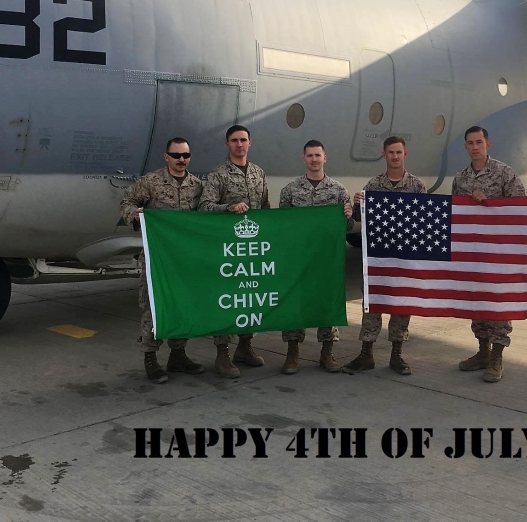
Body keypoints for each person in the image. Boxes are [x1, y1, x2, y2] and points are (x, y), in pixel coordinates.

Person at [120, 137, 205, 384]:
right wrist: (134, 215)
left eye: (185, 155)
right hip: (157, 258)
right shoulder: (151, 182)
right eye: (176, 155)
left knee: (182, 304)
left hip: (184, 258)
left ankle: (178, 354)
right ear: (166, 156)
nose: (181, 160)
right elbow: (127, 202)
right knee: (153, 306)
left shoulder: (197, 186)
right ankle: (150, 357)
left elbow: (205, 215)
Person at [342, 136, 426, 376]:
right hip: (377, 255)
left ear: (405, 154)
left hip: (403, 256)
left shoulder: (416, 186)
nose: (395, 156)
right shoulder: (374, 184)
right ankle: (366, 353)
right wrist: (357, 204)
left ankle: (396, 354)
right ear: (384, 155)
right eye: (391, 152)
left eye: (399, 152)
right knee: (372, 302)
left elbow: (423, 220)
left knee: (401, 303)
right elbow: (359, 218)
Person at [451, 126, 525, 383]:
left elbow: (520, 206)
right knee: (477, 300)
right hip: (473, 251)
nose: (475, 147)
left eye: (479, 142)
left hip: (499, 250)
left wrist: (491, 203)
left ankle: (497, 356)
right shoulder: (460, 178)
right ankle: (482, 351)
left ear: (487, 144)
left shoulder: (504, 173)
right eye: (470, 143)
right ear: (465, 147)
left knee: (498, 302)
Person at [199, 124, 270, 378]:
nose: (239, 144)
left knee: (250, 297)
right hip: (227, 248)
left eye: (243, 140)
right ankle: (223, 354)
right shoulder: (219, 174)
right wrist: (227, 208)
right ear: (227, 144)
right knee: (228, 299)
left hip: (252, 248)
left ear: (250, 143)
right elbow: (204, 206)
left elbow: (265, 208)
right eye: (234, 140)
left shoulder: (259, 173)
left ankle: (245, 346)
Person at [278, 140, 354, 375]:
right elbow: (282, 225)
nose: (314, 159)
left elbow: (347, 227)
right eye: (310, 155)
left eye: (317, 155)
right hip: (299, 258)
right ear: (304, 159)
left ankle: (327, 353)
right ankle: (292, 353)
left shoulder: (338, 190)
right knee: (295, 302)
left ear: (324, 158)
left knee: (327, 301)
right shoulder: (290, 190)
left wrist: (348, 216)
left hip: (326, 257)